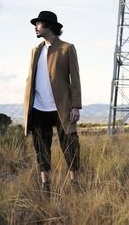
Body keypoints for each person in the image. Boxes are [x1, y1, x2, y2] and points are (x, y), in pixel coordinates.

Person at [24, 10, 82, 196]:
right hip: (38, 108)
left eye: (38, 24)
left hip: (62, 108)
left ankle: (75, 185)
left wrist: (76, 106)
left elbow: (75, 79)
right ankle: (46, 188)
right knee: (41, 147)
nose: (35, 27)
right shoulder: (35, 51)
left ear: (48, 25)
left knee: (70, 145)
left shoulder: (67, 48)